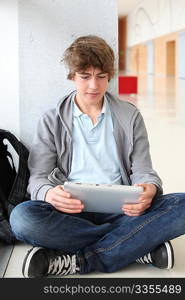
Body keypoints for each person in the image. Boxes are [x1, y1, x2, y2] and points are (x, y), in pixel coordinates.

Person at [10, 35, 185, 278]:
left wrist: (148, 189)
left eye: (101, 76)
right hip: (70, 211)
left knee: (183, 204)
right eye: (85, 76)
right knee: (22, 218)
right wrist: (49, 193)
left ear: (109, 76)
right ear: (72, 76)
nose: (94, 85)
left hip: (123, 208)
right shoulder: (51, 120)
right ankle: (135, 244)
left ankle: (81, 260)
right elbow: (38, 178)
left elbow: (144, 171)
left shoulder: (130, 116)